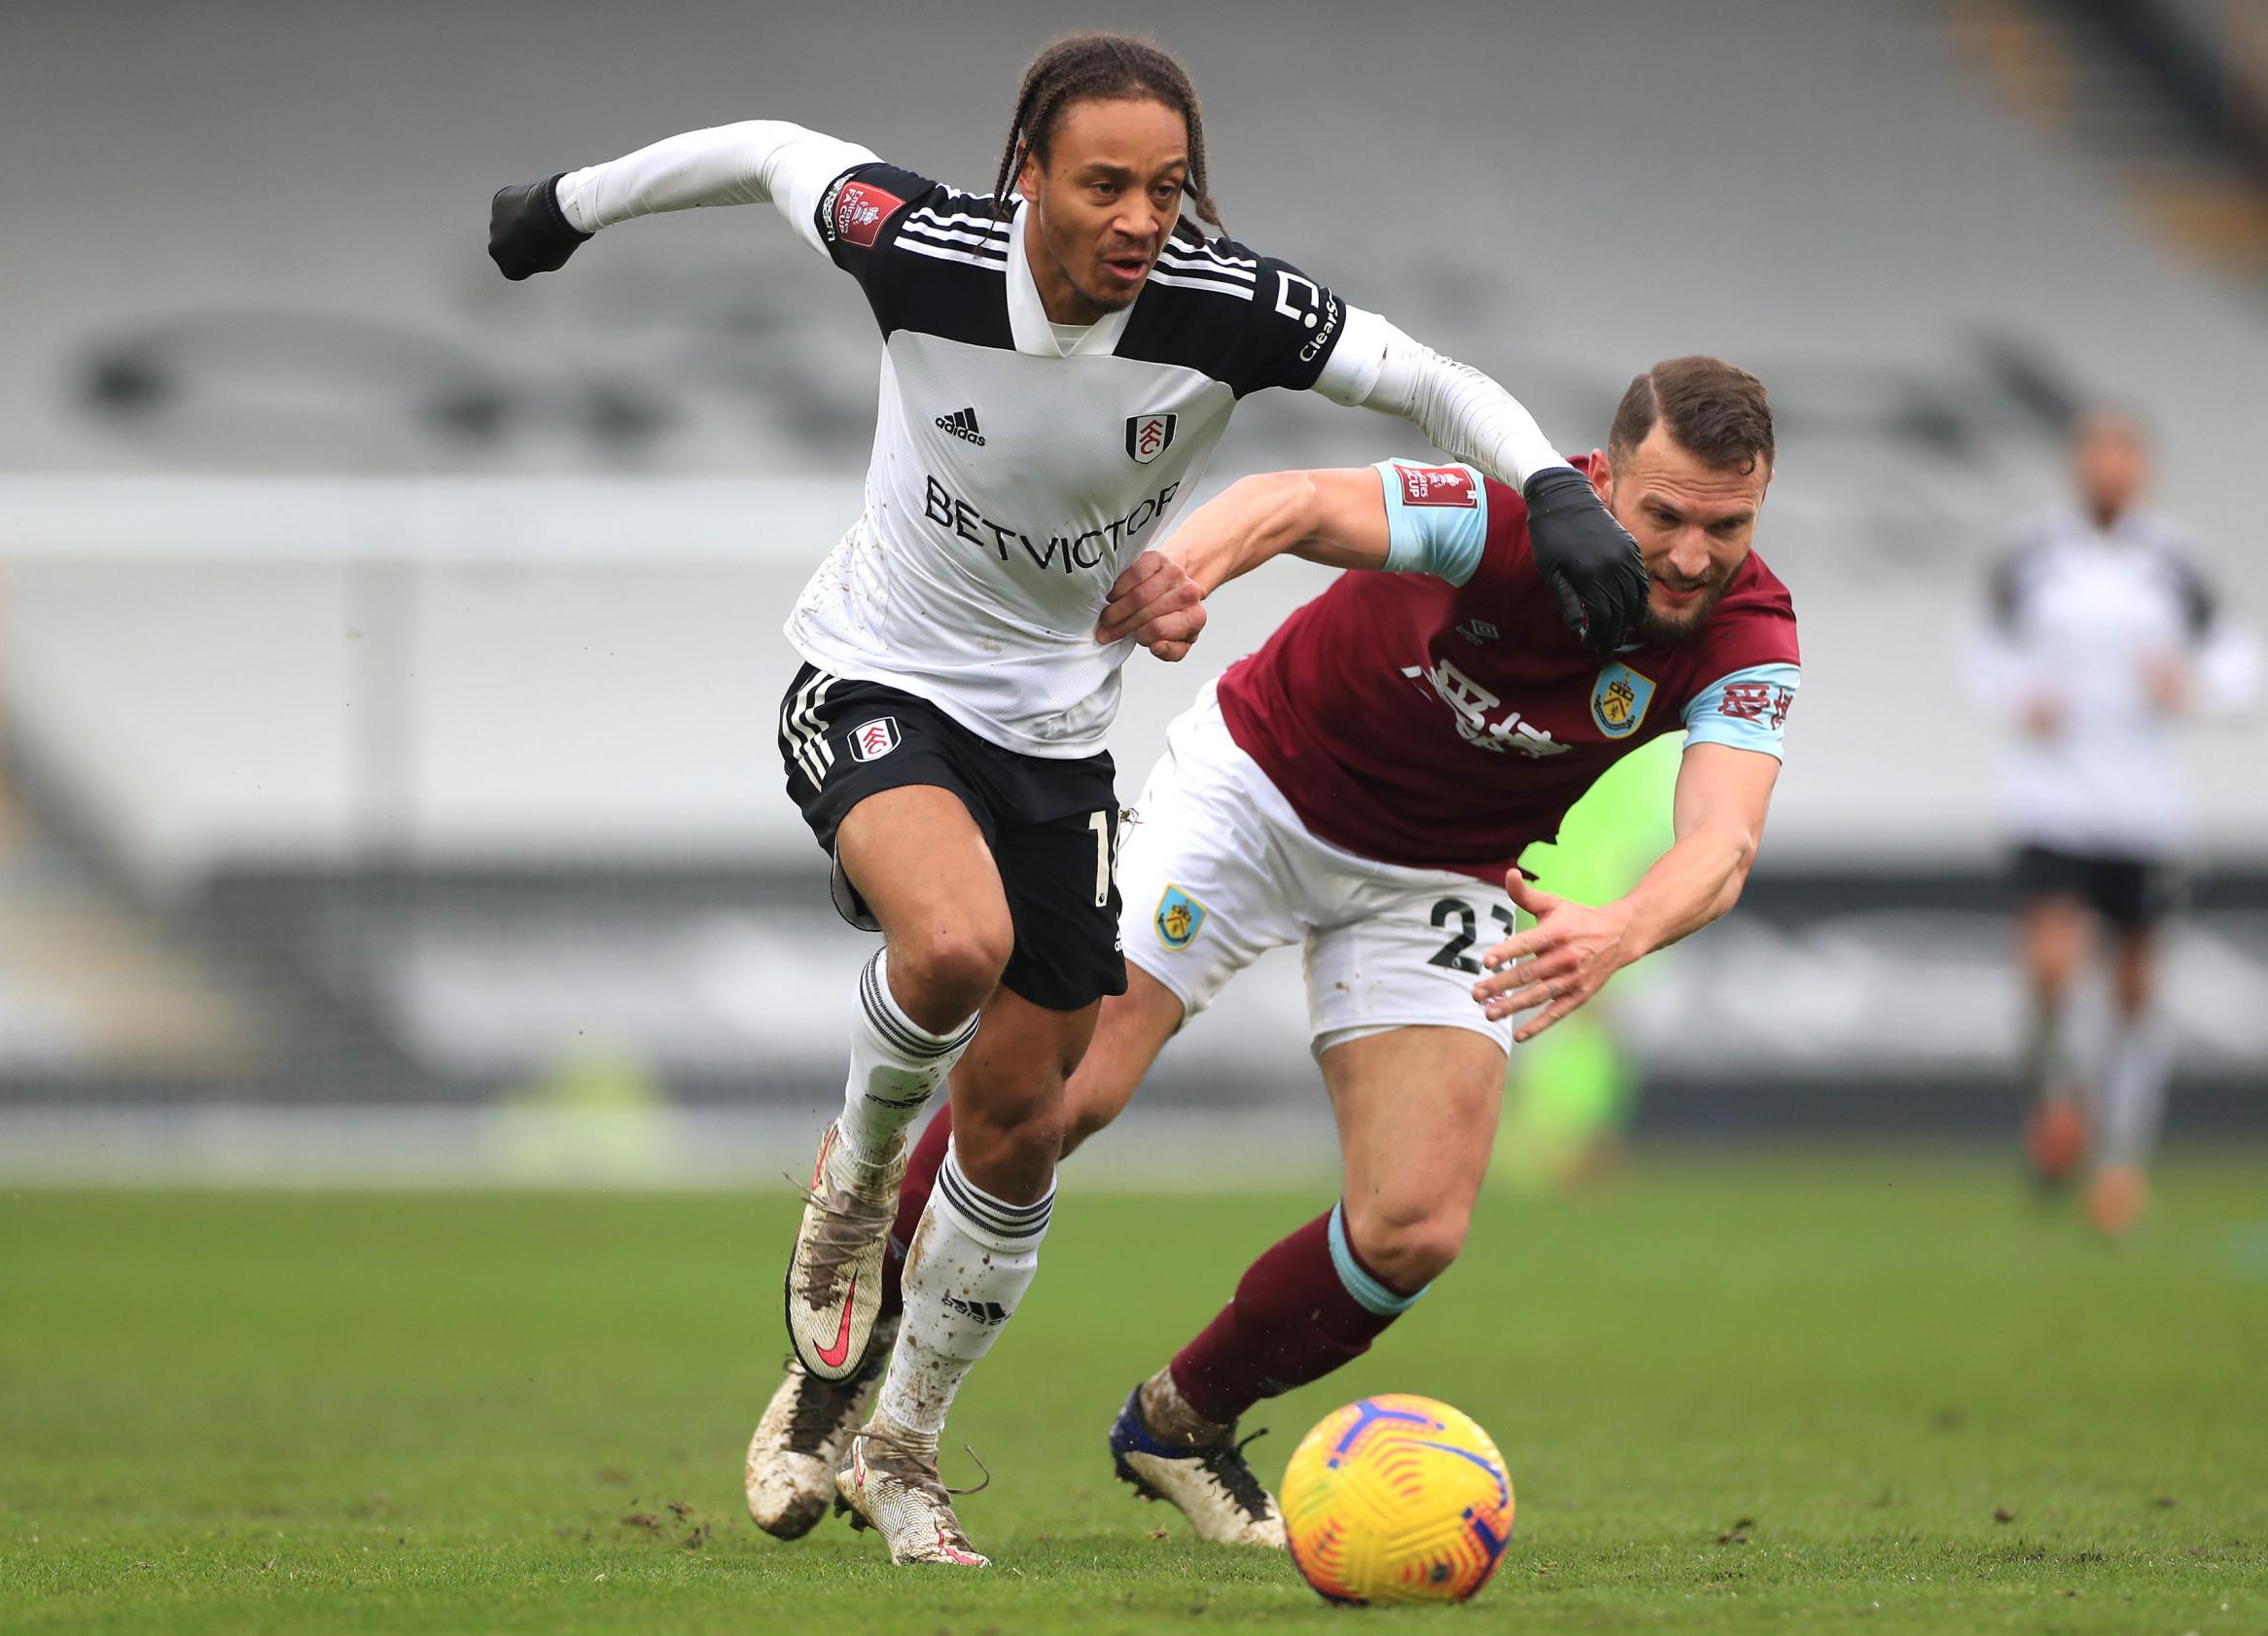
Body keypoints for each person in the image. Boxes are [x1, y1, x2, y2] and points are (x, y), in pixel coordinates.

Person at [487, 33, 1648, 1566]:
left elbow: (1426, 376)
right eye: (1106, 183)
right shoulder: (922, 247)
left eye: (1168, 187)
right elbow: (770, 145)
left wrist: (1551, 489)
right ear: (1025, 173)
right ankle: (847, 1193)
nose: (1142, 216)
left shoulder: (1224, 306)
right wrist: (565, 206)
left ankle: (898, 1444)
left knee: (1027, 1124)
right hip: (873, 680)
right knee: (954, 946)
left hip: (1053, 744)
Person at [768, 355, 1799, 1547]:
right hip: (1259, 786)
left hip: (1439, 870)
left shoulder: (1752, 627)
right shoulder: (1509, 516)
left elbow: (1722, 839)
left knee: (1415, 1224)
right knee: (1065, 1088)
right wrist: (1180, 577)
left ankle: (1180, 1421)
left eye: (1725, 525)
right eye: (1663, 516)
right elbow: (1296, 501)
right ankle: (840, 1366)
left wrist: (1618, 929)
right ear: (1605, 481)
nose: (1688, 556)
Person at [1970, 409, 2264, 1236]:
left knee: (2135, 990)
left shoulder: (2175, 563)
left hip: (2144, 811)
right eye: (2096, 455)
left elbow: (2244, 666)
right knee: (2051, 971)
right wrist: (2015, 696)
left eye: (2123, 455)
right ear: (2078, 466)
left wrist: (2194, 687)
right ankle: (2057, 1103)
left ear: (2142, 468)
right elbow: (1980, 649)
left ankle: (2121, 1163)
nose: (2110, 470)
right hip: (2052, 801)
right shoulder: (2032, 558)